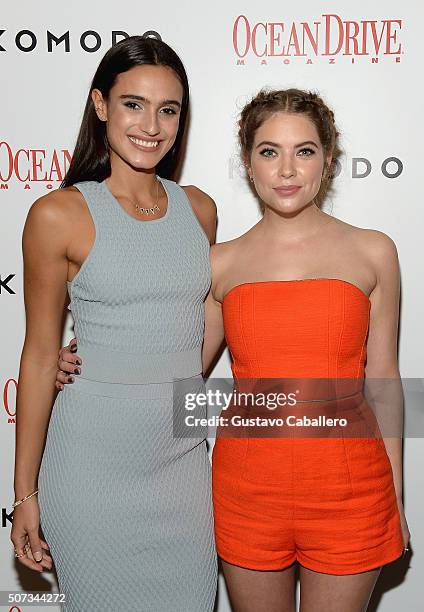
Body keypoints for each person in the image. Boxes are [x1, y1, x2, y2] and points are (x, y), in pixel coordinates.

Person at [57, 88, 410, 611]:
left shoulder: (373, 251)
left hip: (352, 495)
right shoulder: (219, 263)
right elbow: (180, 366)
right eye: (269, 152)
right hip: (246, 496)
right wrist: (88, 359)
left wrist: (397, 498)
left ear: (328, 160)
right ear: (248, 163)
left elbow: (385, 382)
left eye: (304, 151)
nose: (287, 170)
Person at [11, 36, 218, 612]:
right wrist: (24, 493)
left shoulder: (199, 210)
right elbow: (38, 355)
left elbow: (206, 319)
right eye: (133, 104)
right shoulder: (58, 215)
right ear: (101, 105)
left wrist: (164, 378)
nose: (151, 125)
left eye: (168, 109)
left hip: (182, 472)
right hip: (90, 468)